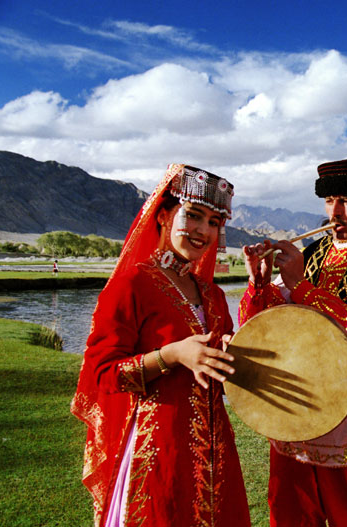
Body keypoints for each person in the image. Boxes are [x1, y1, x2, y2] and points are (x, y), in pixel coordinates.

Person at [71, 164, 251, 526]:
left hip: (215, 447)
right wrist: (172, 355)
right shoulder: (132, 284)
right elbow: (101, 373)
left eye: (214, 222)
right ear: (165, 215)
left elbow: (220, 367)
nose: (203, 230)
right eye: (195, 216)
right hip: (156, 450)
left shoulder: (213, 294)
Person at [240, 157, 347, 527]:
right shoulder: (311, 254)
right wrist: (260, 283)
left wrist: (300, 287)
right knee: (290, 509)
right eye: (329, 201)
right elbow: (268, 327)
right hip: (295, 406)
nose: (334, 212)